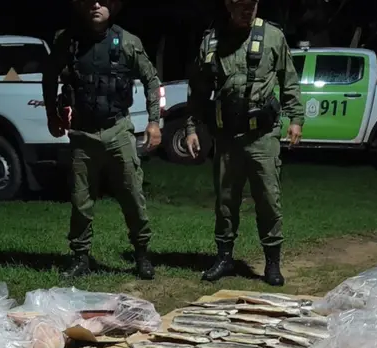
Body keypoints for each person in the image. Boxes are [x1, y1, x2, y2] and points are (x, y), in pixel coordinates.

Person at [185, 0, 305, 286]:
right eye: (240, 4)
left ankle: (272, 264)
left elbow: (289, 79)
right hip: (227, 138)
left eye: (252, 4)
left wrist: (296, 118)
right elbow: (198, 90)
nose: (247, 9)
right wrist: (191, 127)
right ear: (228, 5)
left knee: (268, 200)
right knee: (226, 202)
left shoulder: (273, 36)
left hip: (262, 137)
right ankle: (224, 258)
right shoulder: (212, 41)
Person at [43, 0, 162, 280]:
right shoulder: (68, 41)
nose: (96, 5)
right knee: (80, 200)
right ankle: (80, 257)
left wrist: (154, 122)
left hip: (117, 130)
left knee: (132, 195)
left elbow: (151, 80)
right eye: (90, 1)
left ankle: (142, 255)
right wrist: (52, 114)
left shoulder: (127, 42)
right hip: (82, 134)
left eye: (103, 1)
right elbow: (49, 76)